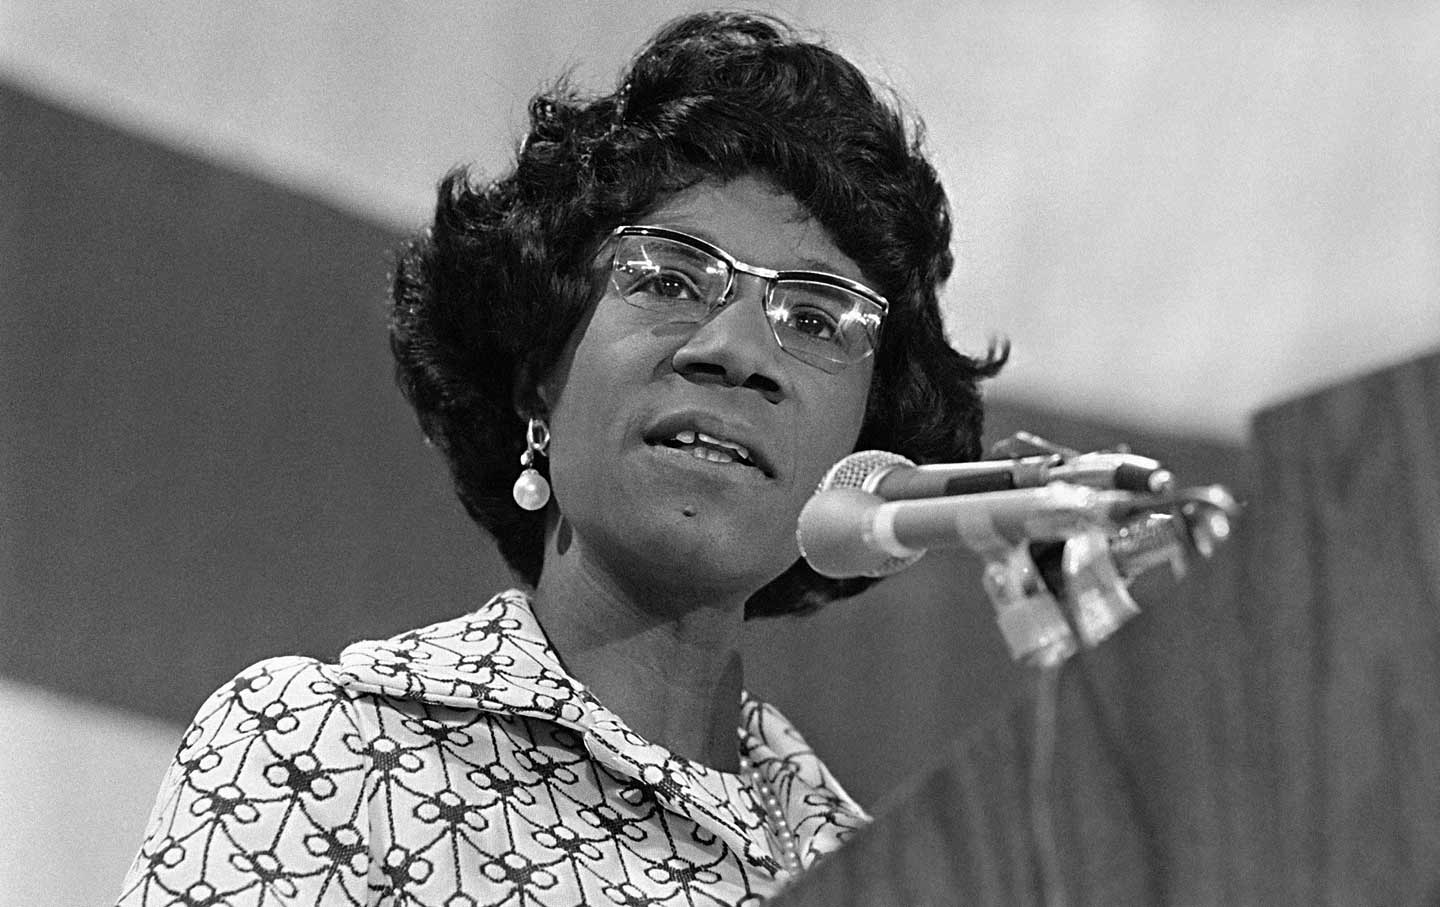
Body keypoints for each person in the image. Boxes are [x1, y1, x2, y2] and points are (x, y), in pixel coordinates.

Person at [116, 11, 1003, 906]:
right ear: (538, 375)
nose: (737, 349)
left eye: (815, 319)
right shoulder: (325, 753)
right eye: (669, 278)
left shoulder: (900, 879)